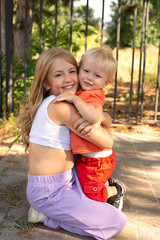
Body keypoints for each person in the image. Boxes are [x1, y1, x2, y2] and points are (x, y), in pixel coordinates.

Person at [19, 47, 127, 240]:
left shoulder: (62, 102)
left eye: (72, 71)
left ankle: (103, 192)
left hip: (67, 180)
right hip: (50, 192)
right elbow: (107, 141)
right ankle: (47, 216)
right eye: (58, 75)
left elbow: (102, 119)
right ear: (46, 83)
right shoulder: (61, 107)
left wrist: (101, 116)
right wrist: (101, 119)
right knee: (116, 221)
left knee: (92, 185)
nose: (68, 79)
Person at [54, 46, 126, 210]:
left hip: (97, 159)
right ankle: (104, 183)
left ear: (106, 82)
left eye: (97, 75)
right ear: (79, 68)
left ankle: (115, 190)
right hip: (88, 156)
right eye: (85, 71)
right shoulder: (82, 91)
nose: (89, 78)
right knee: (84, 184)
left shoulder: (91, 94)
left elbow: (94, 117)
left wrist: (74, 99)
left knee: (91, 194)